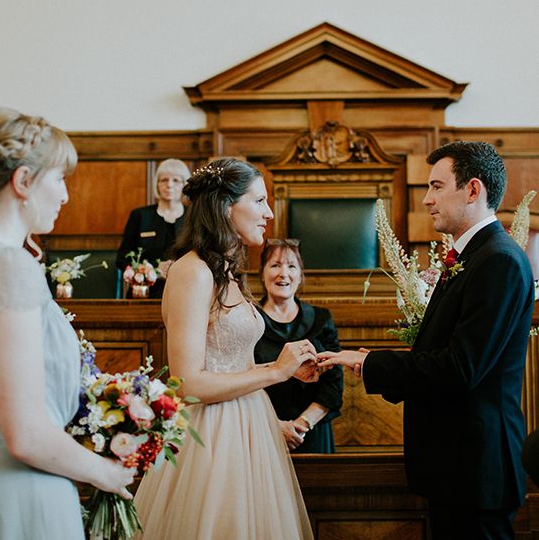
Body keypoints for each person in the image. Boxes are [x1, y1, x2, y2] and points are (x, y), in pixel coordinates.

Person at [0, 108, 135, 539]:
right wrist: (104, 473)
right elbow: (27, 435)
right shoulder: (6, 265)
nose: (65, 195)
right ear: (23, 182)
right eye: (59, 179)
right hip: (15, 494)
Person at [318, 141, 535, 540]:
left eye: (436, 186)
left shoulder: (498, 261)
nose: (427, 200)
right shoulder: (475, 256)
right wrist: (369, 359)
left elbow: (459, 368)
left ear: (472, 190)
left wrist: (369, 363)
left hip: (476, 467)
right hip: (458, 466)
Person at [133, 157, 316, 539]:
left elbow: (232, 360)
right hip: (209, 437)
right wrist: (274, 372)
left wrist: (275, 403)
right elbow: (187, 385)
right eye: (259, 201)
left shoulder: (227, 272)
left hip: (249, 426)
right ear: (225, 205)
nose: (268, 213)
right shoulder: (192, 271)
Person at [254, 238, 343, 453]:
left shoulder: (322, 319)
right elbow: (239, 379)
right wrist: (274, 427)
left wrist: (301, 425)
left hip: (312, 433)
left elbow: (333, 385)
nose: (283, 273)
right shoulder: (248, 321)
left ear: (300, 275)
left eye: (291, 266)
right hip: (260, 431)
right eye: (275, 265)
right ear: (262, 273)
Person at [115, 158, 190, 298]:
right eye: (164, 180)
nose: (169, 185)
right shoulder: (140, 215)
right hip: (144, 292)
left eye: (176, 180)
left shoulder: (194, 217)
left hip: (184, 292)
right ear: (157, 184)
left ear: (185, 184)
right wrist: (152, 269)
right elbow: (122, 259)